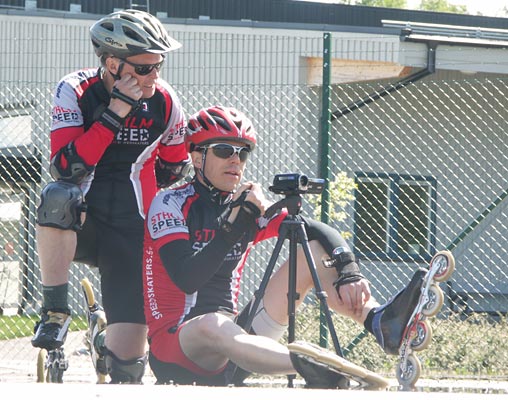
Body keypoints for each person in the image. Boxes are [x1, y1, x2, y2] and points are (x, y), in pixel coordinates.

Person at [142, 105, 429, 387]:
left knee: (312, 251)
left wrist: (349, 269)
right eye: (223, 150)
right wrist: (232, 229)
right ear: (196, 156)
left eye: (242, 153)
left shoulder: (244, 205)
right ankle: (312, 366)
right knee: (211, 324)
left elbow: (312, 229)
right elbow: (187, 278)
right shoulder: (169, 203)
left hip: (238, 344)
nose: (236, 161)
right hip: (177, 348)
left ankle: (379, 322)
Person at [31, 9, 191, 384]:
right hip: (82, 220)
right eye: (145, 67)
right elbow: (66, 167)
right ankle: (55, 311)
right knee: (57, 196)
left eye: (159, 65)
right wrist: (114, 114)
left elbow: (174, 166)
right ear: (113, 63)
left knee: (128, 367)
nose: (155, 75)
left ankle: (102, 338)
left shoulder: (165, 101)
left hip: (130, 230)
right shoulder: (75, 89)